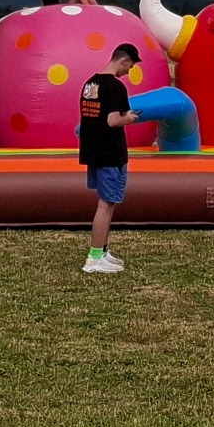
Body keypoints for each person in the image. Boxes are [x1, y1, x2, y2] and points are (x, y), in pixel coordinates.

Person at [77, 43, 140, 274]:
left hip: (94, 151)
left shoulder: (90, 83)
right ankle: (94, 258)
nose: (128, 72)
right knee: (105, 205)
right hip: (110, 153)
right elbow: (113, 120)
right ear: (122, 61)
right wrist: (130, 118)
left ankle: (102, 250)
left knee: (108, 202)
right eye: (129, 67)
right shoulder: (116, 87)